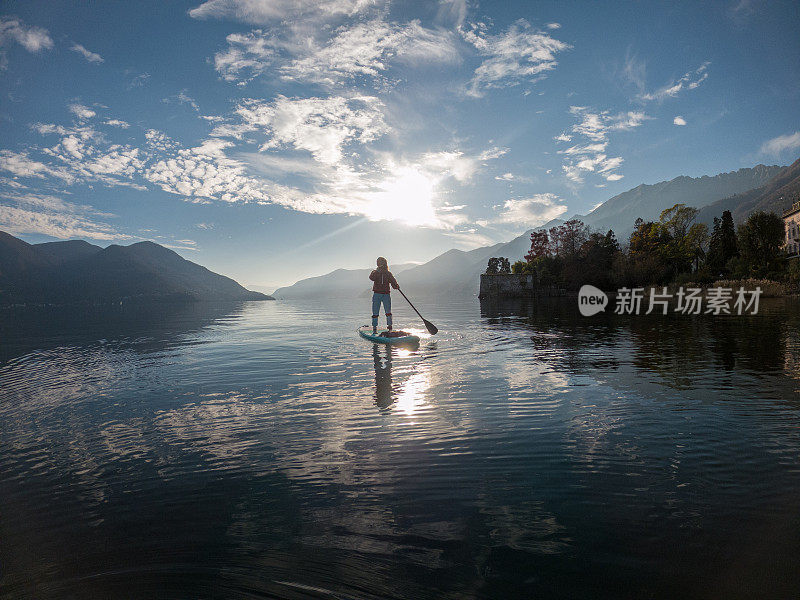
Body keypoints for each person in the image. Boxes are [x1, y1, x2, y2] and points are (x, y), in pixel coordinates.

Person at [369, 256, 399, 334]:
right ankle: (374, 328)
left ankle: (390, 328)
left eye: (380, 262)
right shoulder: (375, 272)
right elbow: (371, 278)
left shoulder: (388, 273)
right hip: (377, 294)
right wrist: (377, 271)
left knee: (388, 312)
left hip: (386, 295)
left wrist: (396, 285)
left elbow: (393, 283)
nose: (378, 264)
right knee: (375, 312)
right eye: (378, 262)